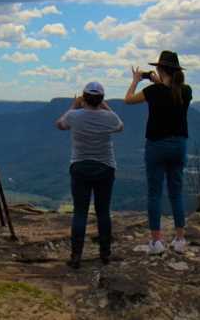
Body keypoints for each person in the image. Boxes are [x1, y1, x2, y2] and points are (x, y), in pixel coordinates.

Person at [124, 50, 192, 254]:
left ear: (160, 69)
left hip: (156, 146)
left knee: (154, 194)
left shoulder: (153, 92)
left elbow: (128, 100)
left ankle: (157, 242)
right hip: (179, 145)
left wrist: (137, 80)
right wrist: (157, 81)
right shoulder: (186, 90)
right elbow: (169, 93)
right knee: (176, 192)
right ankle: (180, 240)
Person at [55, 81, 124, 269]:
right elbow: (120, 126)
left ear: (84, 98)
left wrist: (74, 105)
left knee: (80, 212)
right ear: (101, 99)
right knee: (103, 212)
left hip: (80, 168)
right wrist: (104, 105)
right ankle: (105, 254)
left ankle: (76, 256)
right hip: (105, 168)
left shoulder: (74, 116)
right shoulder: (108, 117)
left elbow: (60, 124)